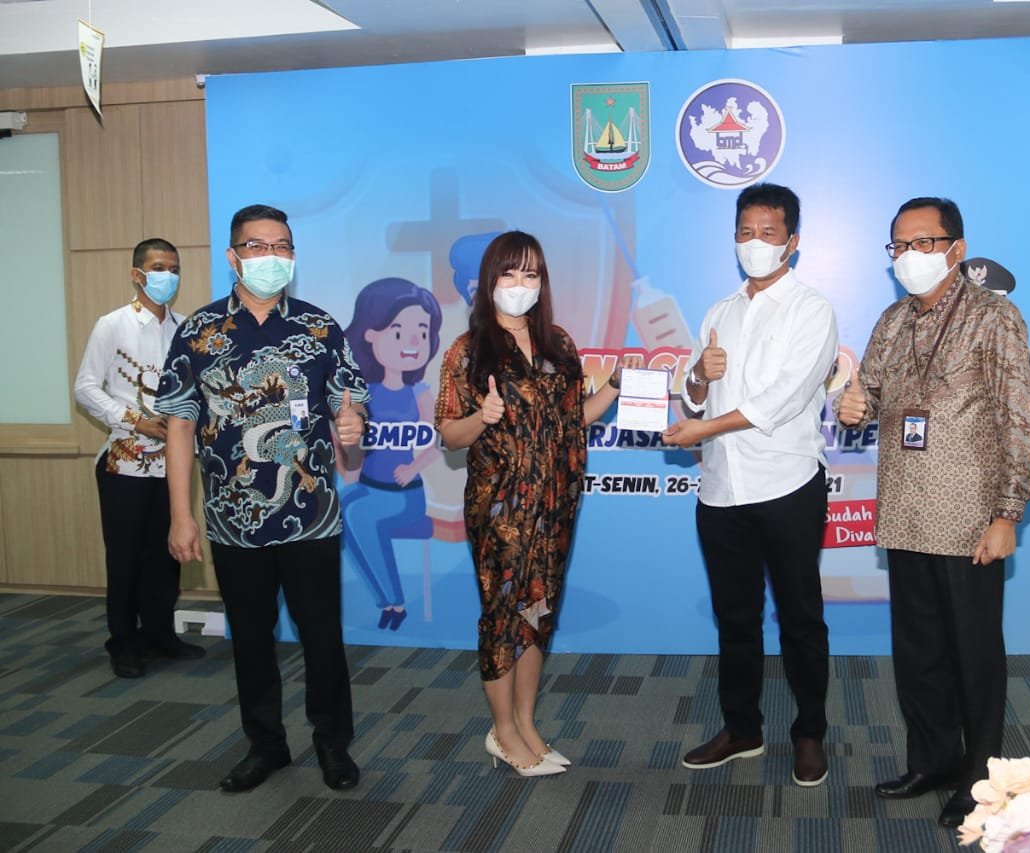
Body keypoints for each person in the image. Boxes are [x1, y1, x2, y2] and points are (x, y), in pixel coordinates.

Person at [836, 197, 1030, 827]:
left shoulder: (994, 316)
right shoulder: (893, 319)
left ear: (956, 249)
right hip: (905, 511)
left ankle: (980, 777)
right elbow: (870, 395)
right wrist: (854, 408)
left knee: (973, 654)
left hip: (969, 516)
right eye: (900, 246)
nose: (910, 256)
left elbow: (1016, 419)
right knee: (919, 651)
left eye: (924, 243)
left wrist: (1007, 513)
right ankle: (932, 760)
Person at [156, 204, 368, 794]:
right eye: (257, 246)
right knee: (250, 641)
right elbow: (178, 426)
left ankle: (333, 744)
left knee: (321, 637)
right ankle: (266, 745)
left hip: (311, 517)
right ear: (233, 257)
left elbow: (350, 403)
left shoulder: (319, 328)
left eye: (282, 246)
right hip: (233, 521)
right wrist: (180, 515)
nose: (271, 257)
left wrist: (353, 423)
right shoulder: (198, 332)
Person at [435, 230, 636, 778]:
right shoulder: (467, 350)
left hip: (555, 504)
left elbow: (573, 421)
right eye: (510, 273)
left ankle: (526, 725)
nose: (520, 284)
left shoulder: (559, 345)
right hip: (500, 510)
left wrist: (616, 386)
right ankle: (502, 732)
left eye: (531, 274)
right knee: (502, 617)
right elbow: (449, 435)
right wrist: (483, 418)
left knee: (538, 614)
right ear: (489, 281)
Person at [662, 183, 838, 788]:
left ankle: (809, 733)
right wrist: (697, 376)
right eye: (745, 232)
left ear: (792, 242)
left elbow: (783, 399)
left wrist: (703, 425)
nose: (754, 243)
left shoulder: (812, 309)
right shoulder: (719, 311)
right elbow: (692, 399)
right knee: (735, 618)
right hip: (720, 490)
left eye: (768, 233)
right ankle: (742, 729)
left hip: (786, 483)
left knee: (800, 618)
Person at [73, 238, 206, 679]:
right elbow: (85, 388)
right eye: (159, 267)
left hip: (173, 463)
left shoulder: (187, 328)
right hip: (123, 463)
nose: (168, 276)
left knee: (166, 554)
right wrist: (134, 421)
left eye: (174, 268)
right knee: (125, 556)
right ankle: (124, 642)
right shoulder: (112, 324)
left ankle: (160, 635)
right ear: (137, 274)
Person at [337, 278, 443, 630]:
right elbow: (348, 446)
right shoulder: (361, 390)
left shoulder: (419, 392)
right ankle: (386, 600)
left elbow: (439, 439)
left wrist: (413, 468)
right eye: (399, 332)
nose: (413, 342)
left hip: (404, 493)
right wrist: (349, 466)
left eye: (422, 332)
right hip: (367, 485)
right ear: (371, 333)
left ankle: (393, 602)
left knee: (358, 517)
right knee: (339, 509)